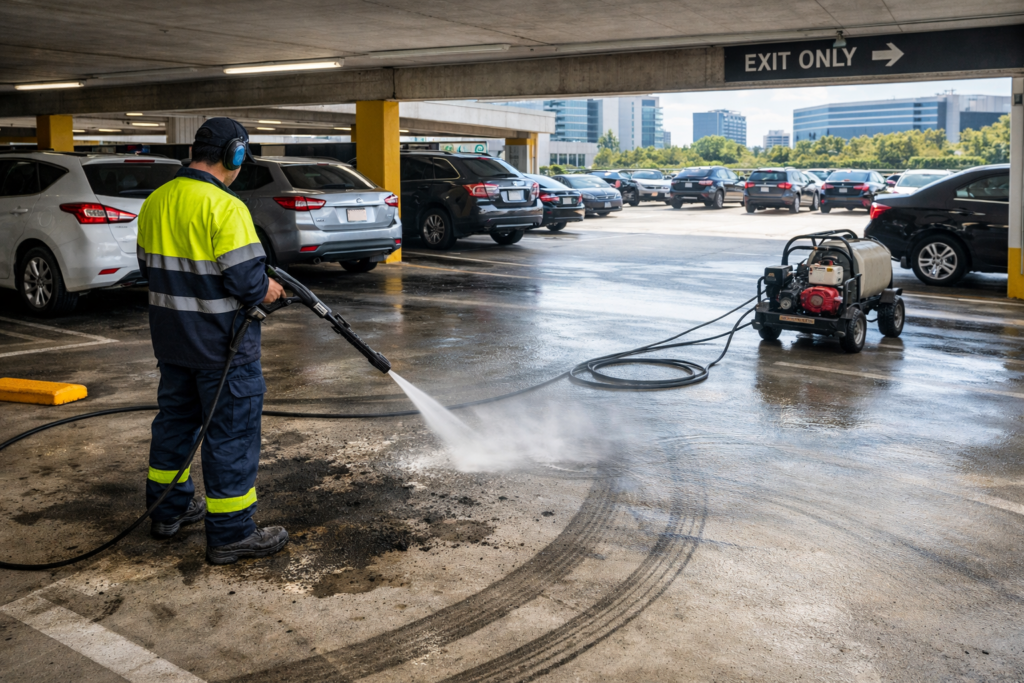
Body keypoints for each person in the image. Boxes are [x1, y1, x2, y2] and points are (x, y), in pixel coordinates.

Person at [137, 117, 288, 565]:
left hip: (172, 341)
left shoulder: (156, 201)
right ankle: (231, 533)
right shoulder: (226, 208)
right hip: (222, 348)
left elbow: (150, 267)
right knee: (231, 435)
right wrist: (270, 290)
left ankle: (169, 512)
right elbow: (247, 283)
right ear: (234, 155)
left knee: (175, 424)